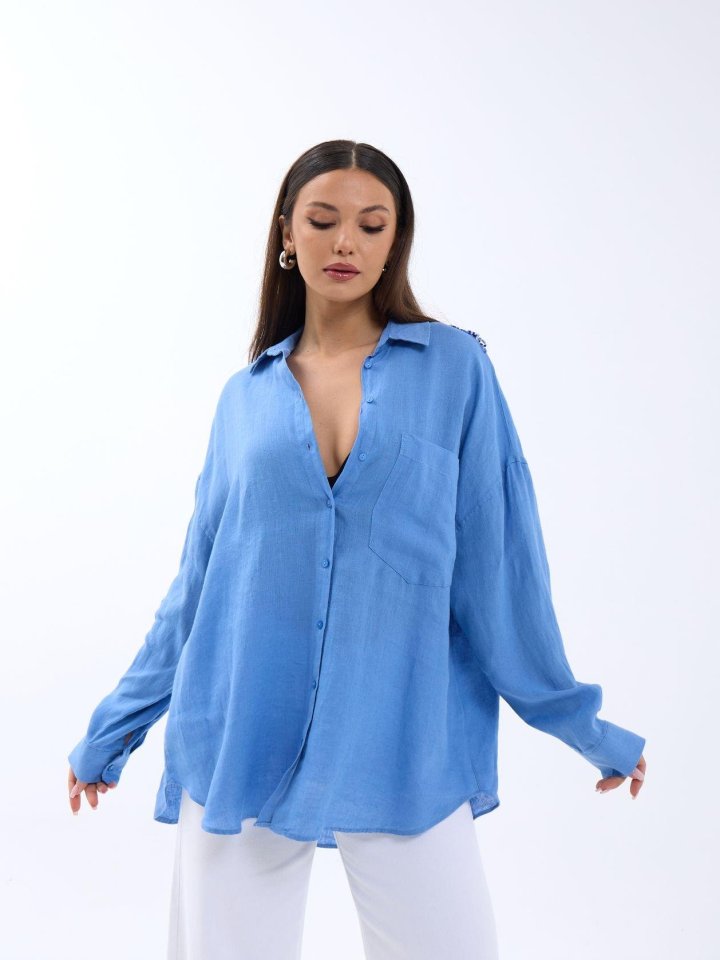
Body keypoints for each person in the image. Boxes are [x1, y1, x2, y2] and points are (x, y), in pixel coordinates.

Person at [67, 139, 647, 959]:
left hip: (405, 739)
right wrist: (112, 731)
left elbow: (501, 570)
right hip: (238, 730)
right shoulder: (243, 400)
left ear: (395, 241)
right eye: (323, 220)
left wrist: (582, 725)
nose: (346, 242)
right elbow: (197, 589)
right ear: (286, 232)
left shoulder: (455, 370)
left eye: (373, 225)